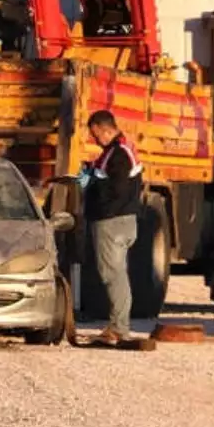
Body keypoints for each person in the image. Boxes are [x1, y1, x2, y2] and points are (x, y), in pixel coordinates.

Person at [81, 109, 143, 345]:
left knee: (112, 275)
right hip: (122, 220)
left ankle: (118, 329)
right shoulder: (119, 152)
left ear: (105, 129)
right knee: (117, 274)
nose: (95, 139)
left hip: (112, 221)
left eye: (96, 134)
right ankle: (118, 326)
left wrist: (93, 190)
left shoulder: (118, 154)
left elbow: (117, 189)